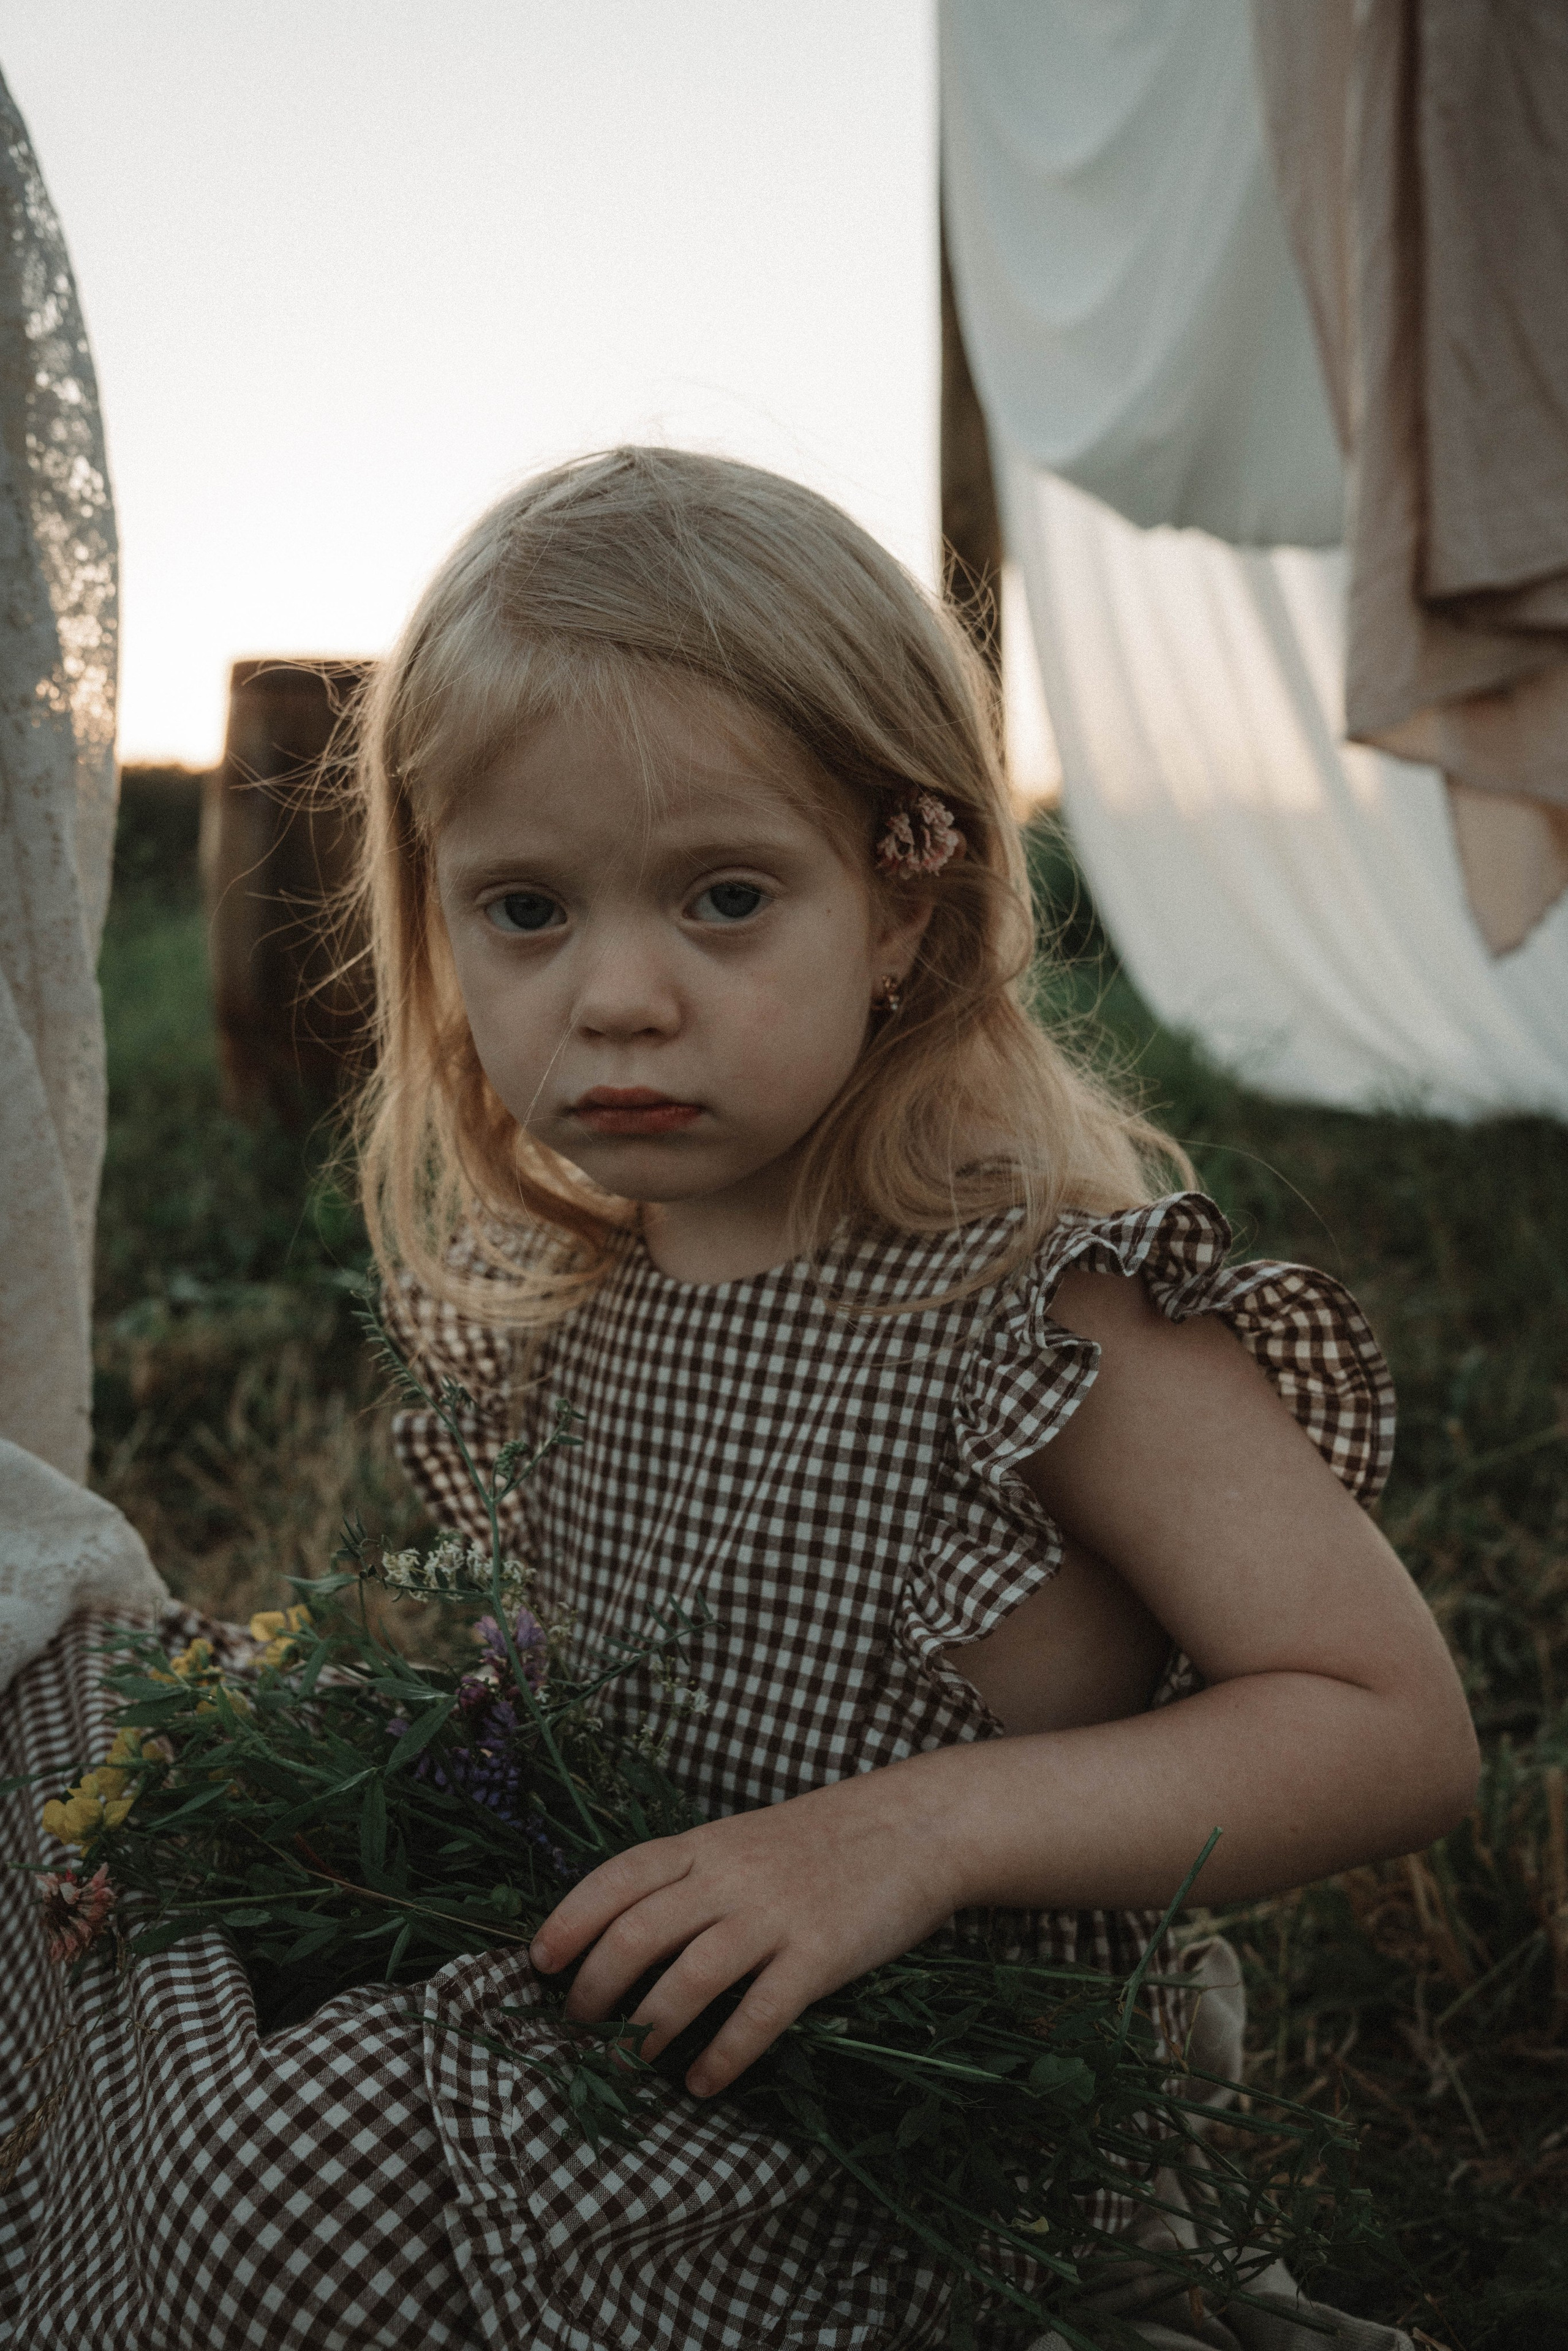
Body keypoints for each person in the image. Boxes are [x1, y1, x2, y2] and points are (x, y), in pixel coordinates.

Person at [0, 447, 1476, 2351]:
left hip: (902, 2125)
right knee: (75, 1719)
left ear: (906, 912)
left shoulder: (1047, 1316)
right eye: (527, 910)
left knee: (285, 2173)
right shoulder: (598, 1300)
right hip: (637, 2019)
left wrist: (909, 1833)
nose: (618, 995)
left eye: (722, 896)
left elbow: (1391, 1727)